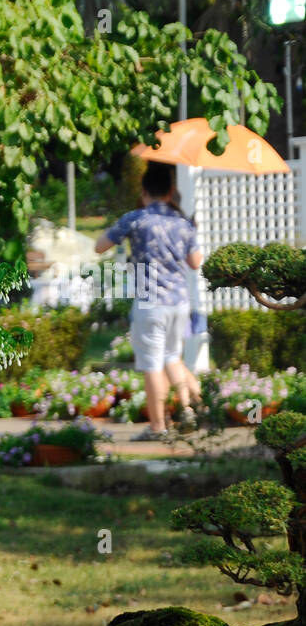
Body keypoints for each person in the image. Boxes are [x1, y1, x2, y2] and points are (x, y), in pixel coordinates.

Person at [95, 162, 203, 439]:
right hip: (179, 302)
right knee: (171, 356)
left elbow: (100, 246)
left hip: (149, 302)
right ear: (170, 191)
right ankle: (189, 408)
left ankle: (158, 428)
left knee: (153, 363)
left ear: (145, 191)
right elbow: (195, 262)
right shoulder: (183, 223)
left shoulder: (135, 219)